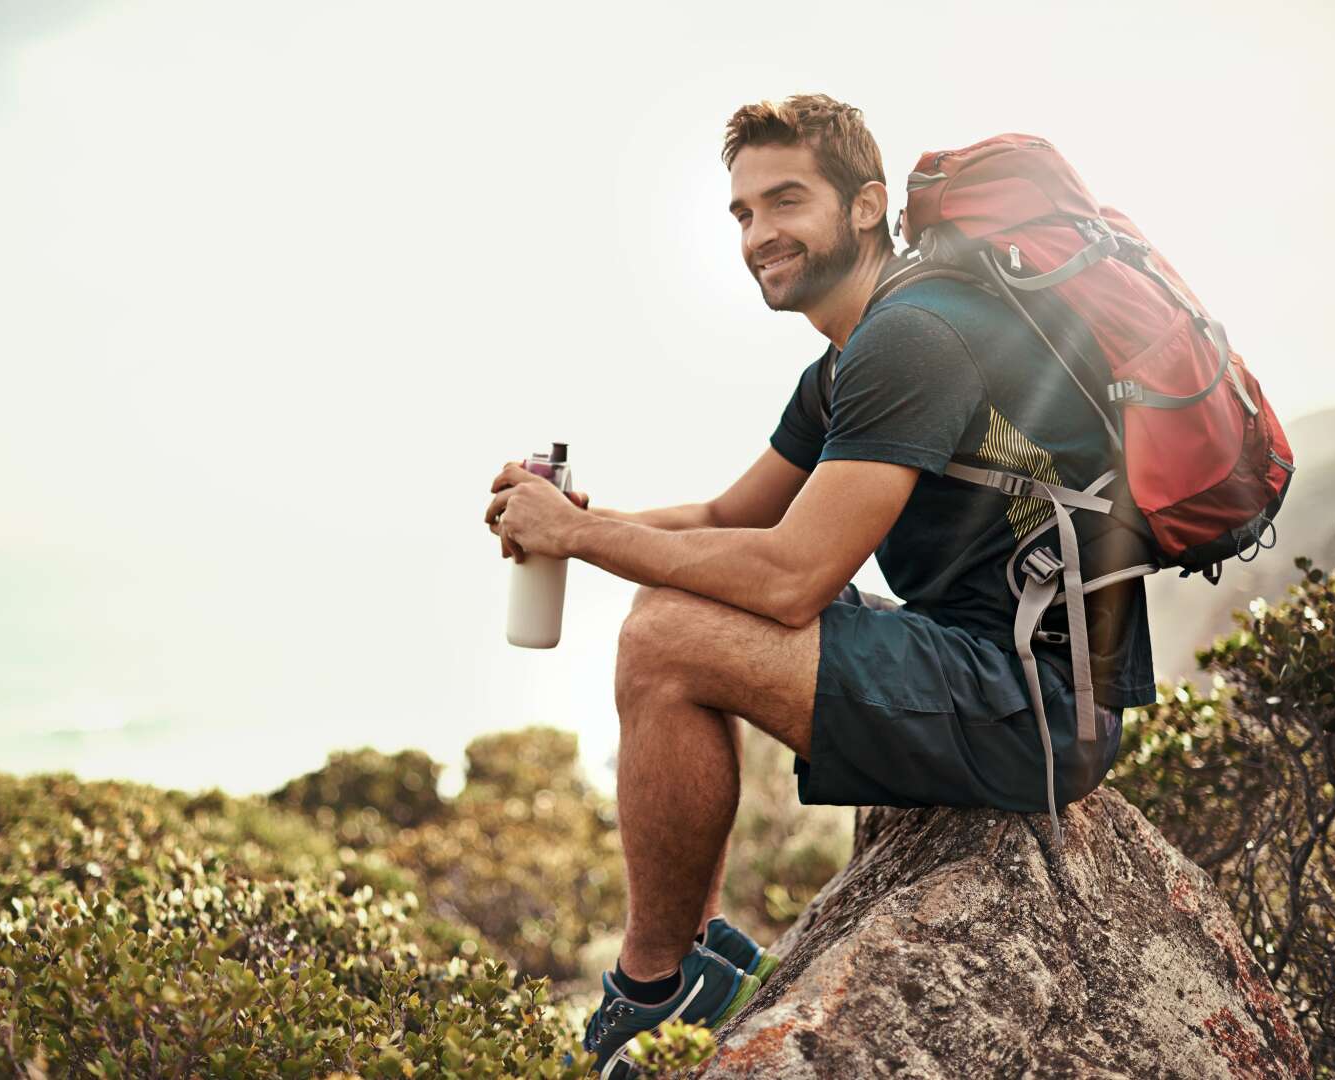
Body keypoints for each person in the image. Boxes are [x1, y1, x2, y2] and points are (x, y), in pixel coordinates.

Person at [482, 94, 1153, 1078]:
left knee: (666, 636)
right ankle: (695, 965)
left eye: (786, 201)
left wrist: (579, 537)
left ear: (867, 206)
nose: (760, 235)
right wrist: (584, 520)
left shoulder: (914, 337)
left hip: (1039, 712)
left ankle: (654, 990)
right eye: (744, 213)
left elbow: (792, 576)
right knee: (669, 613)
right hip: (989, 669)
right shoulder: (849, 358)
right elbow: (726, 521)